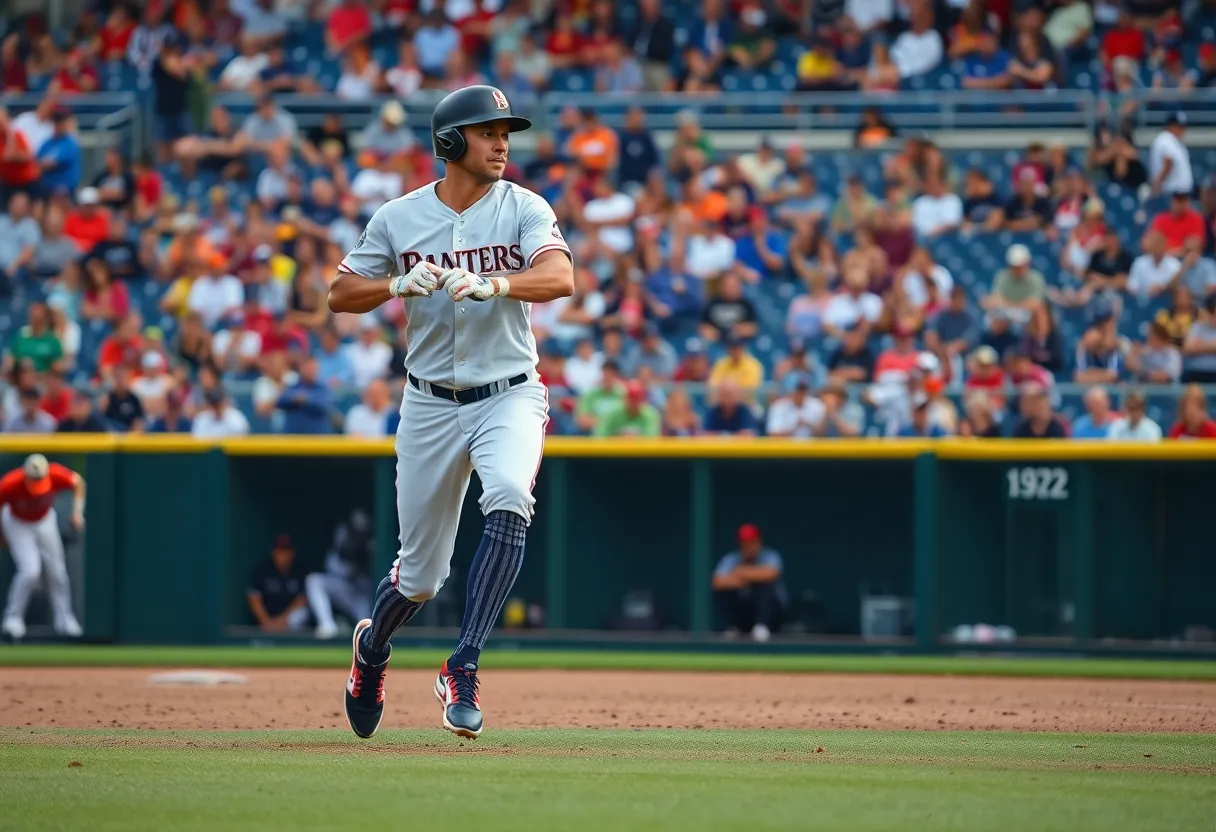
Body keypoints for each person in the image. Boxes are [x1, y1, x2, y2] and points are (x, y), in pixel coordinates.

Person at [327, 86, 574, 741]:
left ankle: (462, 663)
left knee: (508, 498)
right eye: (487, 131)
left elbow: (559, 278)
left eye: (505, 133)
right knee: (419, 576)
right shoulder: (399, 218)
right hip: (429, 404)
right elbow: (338, 292)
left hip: (510, 392)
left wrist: (498, 283)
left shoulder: (524, 206)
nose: (501, 143)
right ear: (448, 142)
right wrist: (392, 285)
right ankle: (371, 653)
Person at [0, 454, 86, 640]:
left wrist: (77, 512)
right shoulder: (11, 483)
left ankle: (65, 621)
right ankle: (12, 620)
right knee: (30, 571)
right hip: (16, 522)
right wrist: (2, 534)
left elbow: (78, 482)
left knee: (58, 572)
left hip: (44, 519)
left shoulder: (55, 474)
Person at [306, 509, 375, 640]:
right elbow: (335, 560)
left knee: (367, 627)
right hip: (339, 584)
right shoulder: (341, 533)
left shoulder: (371, 543)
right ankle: (328, 626)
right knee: (314, 581)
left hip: (360, 593)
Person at [711, 523, 786, 642]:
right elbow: (718, 581)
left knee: (765, 585)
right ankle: (736, 626)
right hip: (745, 611)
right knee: (723, 591)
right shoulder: (731, 558)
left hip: (773, 613)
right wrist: (750, 579)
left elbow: (771, 574)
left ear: (759, 541)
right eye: (745, 543)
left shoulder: (770, 555)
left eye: (752, 542)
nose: (749, 546)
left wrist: (740, 572)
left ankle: (762, 626)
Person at [246, 534, 310, 634]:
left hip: (289, 621)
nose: (282, 555)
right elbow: (254, 599)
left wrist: (281, 620)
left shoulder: (300, 571)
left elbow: (301, 600)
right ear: (273, 552)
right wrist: (266, 621)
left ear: (292, 553)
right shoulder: (262, 570)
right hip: (267, 620)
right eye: (279, 551)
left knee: (301, 613)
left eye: (285, 551)